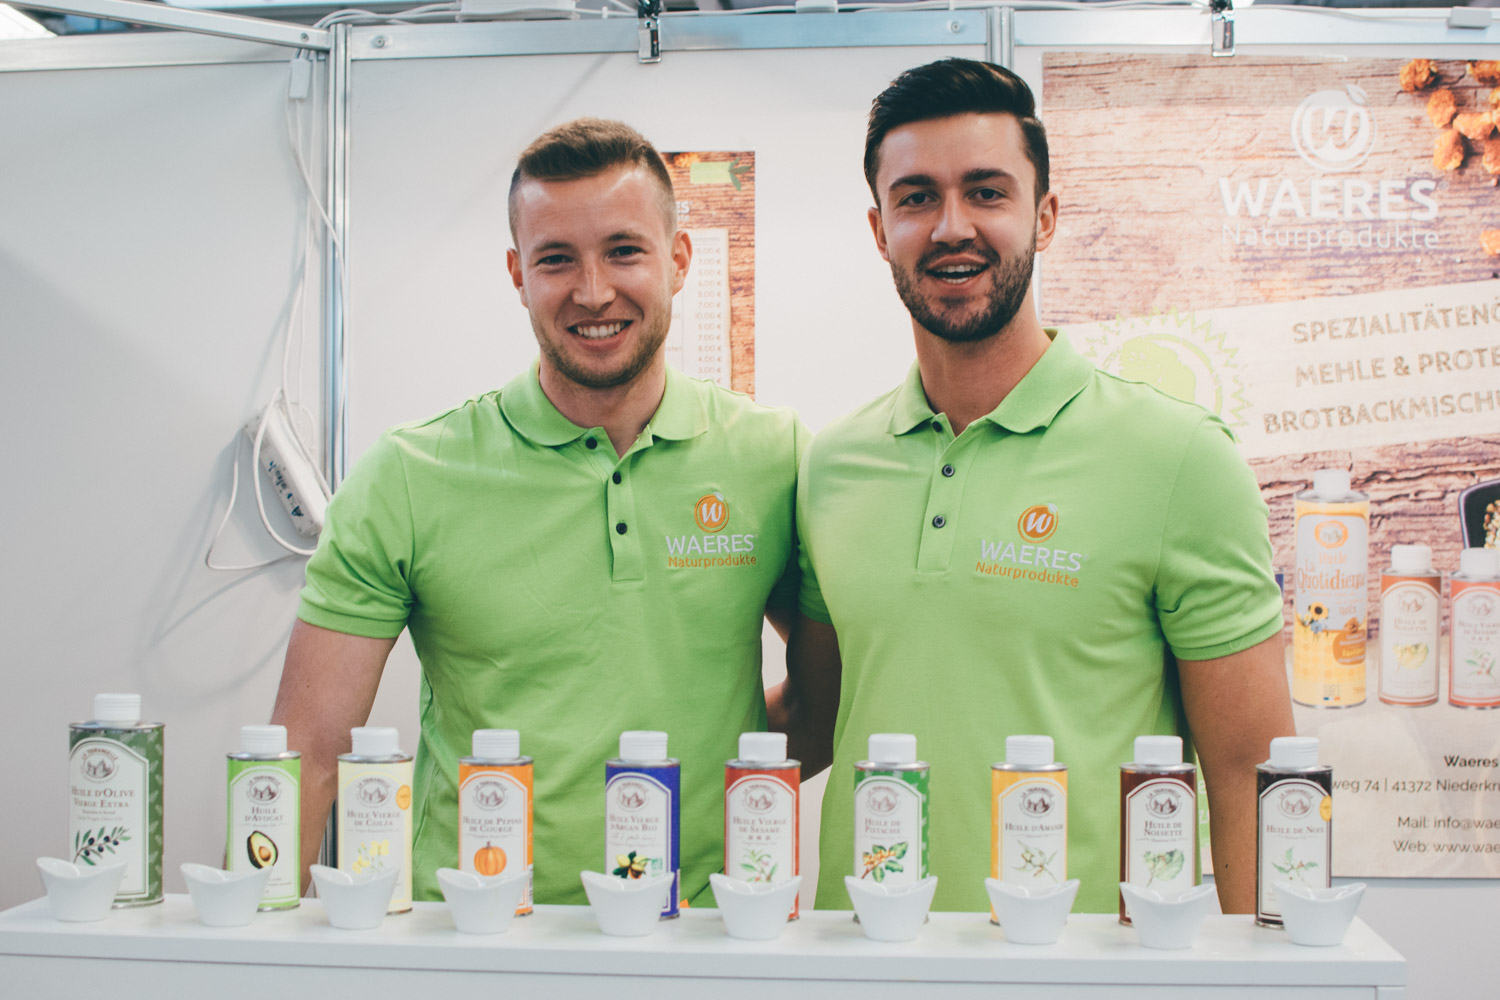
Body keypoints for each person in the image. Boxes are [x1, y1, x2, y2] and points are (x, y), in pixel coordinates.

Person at [776, 59, 1294, 915]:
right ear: (879, 229)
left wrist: (1262, 968)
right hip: (862, 954)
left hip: (1086, 964)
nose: (952, 227)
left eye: (986, 192)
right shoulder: (833, 464)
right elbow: (818, 717)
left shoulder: (1178, 458)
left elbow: (1249, 770)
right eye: (916, 198)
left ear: (1044, 216)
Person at [271, 118, 803, 906]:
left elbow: (825, 697)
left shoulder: (773, 457)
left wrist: (725, 772)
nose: (593, 291)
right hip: (471, 930)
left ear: (679, 261)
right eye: (556, 259)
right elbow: (307, 756)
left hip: (699, 930)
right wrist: (253, 947)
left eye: (624, 251)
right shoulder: (409, 475)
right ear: (518, 273)